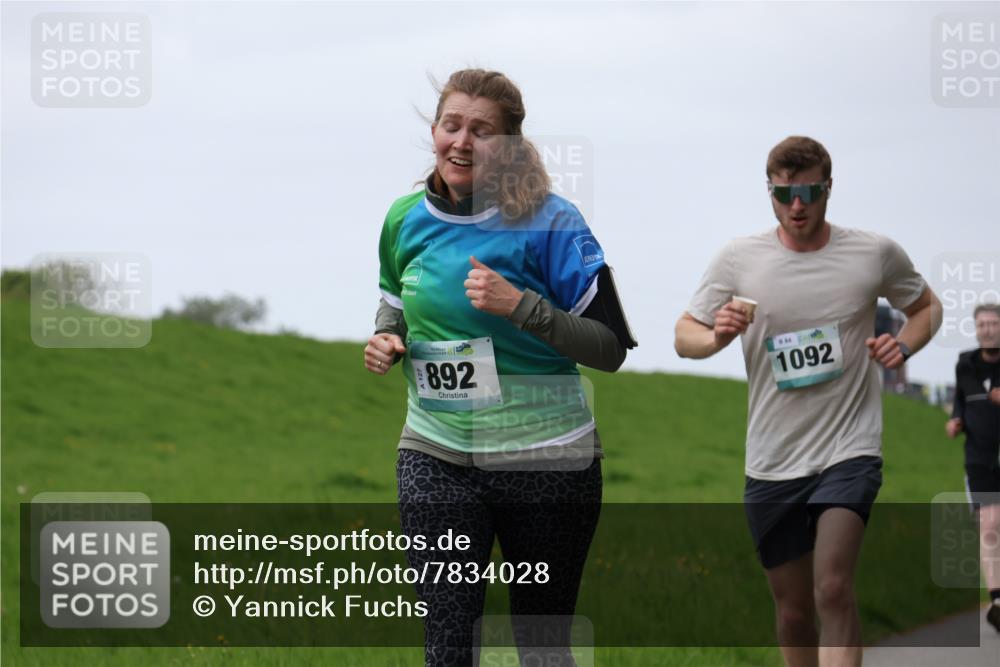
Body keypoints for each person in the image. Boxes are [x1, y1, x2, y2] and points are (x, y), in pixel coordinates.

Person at [364, 68, 636, 667]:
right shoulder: (403, 218)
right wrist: (387, 338)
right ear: (433, 131)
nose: (462, 142)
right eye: (451, 125)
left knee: (540, 649)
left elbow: (610, 347)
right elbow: (394, 297)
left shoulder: (552, 222)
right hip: (435, 453)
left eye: (481, 131)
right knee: (447, 644)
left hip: (546, 458)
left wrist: (524, 308)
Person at [674, 136, 941, 667]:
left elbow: (926, 307)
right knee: (795, 613)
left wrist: (905, 342)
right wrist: (717, 337)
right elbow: (685, 333)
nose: (798, 206)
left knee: (833, 589)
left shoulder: (872, 253)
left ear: (829, 188)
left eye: (810, 193)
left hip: (849, 448)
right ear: (770, 191)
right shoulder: (739, 258)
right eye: (784, 194)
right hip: (773, 459)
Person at [945, 303, 1000, 632]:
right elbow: (961, 402)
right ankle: (997, 600)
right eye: (982, 324)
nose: (988, 329)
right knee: (989, 525)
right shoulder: (965, 364)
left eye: (994, 323)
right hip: (979, 458)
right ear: (976, 328)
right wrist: (956, 421)